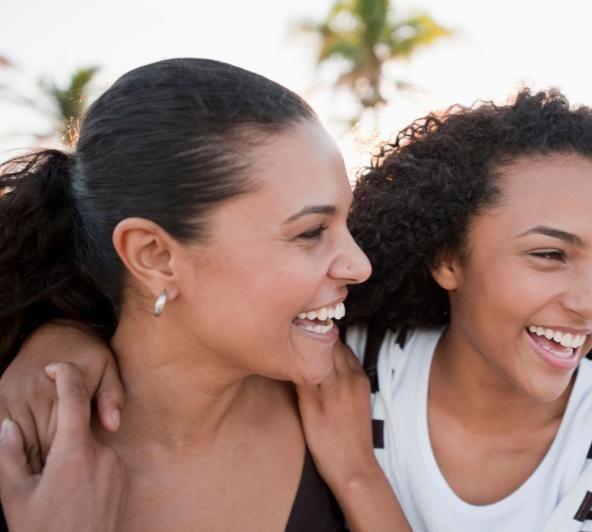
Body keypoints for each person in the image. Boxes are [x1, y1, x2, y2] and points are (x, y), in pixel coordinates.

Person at [1, 87, 592, 530]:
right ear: (445, 257)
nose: (591, 298)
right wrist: (59, 335)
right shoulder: (348, 369)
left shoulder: (331, 392)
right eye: (311, 231)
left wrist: (358, 472)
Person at [0, 57, 412, 531]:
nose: (360, 265)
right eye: (311, 231)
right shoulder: (20, 456)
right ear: (154, 256)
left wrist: (358, 474)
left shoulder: (347, 405)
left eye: (345, 221)